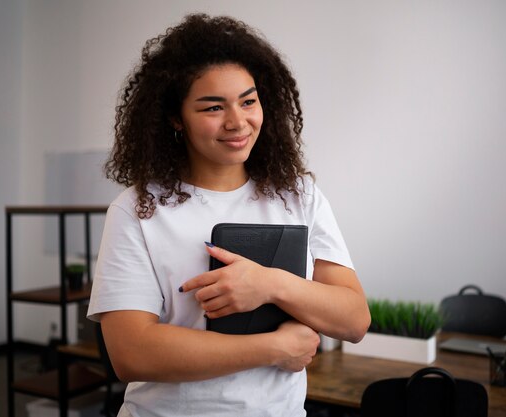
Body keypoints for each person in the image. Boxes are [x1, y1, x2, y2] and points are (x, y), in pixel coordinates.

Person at [87, 13, 370, 417]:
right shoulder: (137, 210)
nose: (238, 122)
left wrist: (269, 284)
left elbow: (354, 319)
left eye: (248, 101)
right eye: (213, 107)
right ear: (175, 118)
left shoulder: (299, 196)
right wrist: (273, 349)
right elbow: (132, 354)